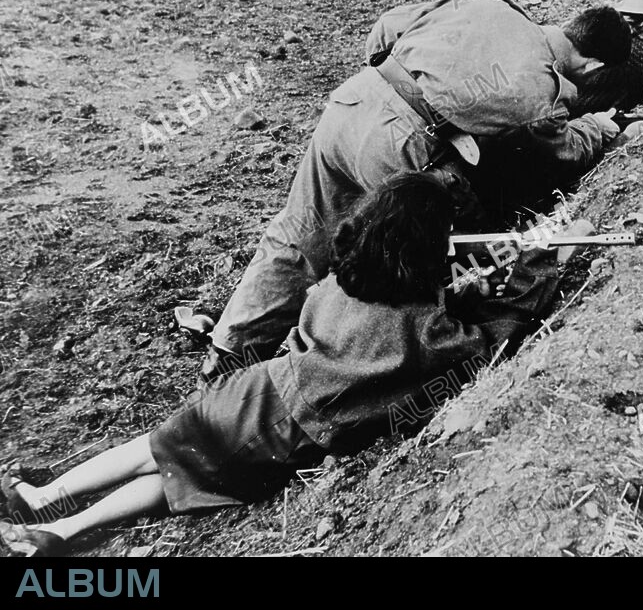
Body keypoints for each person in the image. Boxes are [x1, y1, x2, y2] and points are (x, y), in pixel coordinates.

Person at [0, 173, 565, 557]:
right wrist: (535, 262)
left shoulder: (337, 283)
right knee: (179, 480)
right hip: (280, 432)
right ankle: (60, 530)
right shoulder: (421, 325)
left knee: (160, 447)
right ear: (425, 249)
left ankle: (45, 500)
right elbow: (490, 338)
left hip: (250, 390)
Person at [204, 0, 630, 380]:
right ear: (592, 65)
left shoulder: (490, 3)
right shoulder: (544, 89)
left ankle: (228, 356)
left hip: (351, 104)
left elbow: (387, 27)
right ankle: (342, 365)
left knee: (298, 228)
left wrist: (397, 86)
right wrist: (599, 125)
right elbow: (562, 151)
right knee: (406, 256)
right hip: (402, 145)